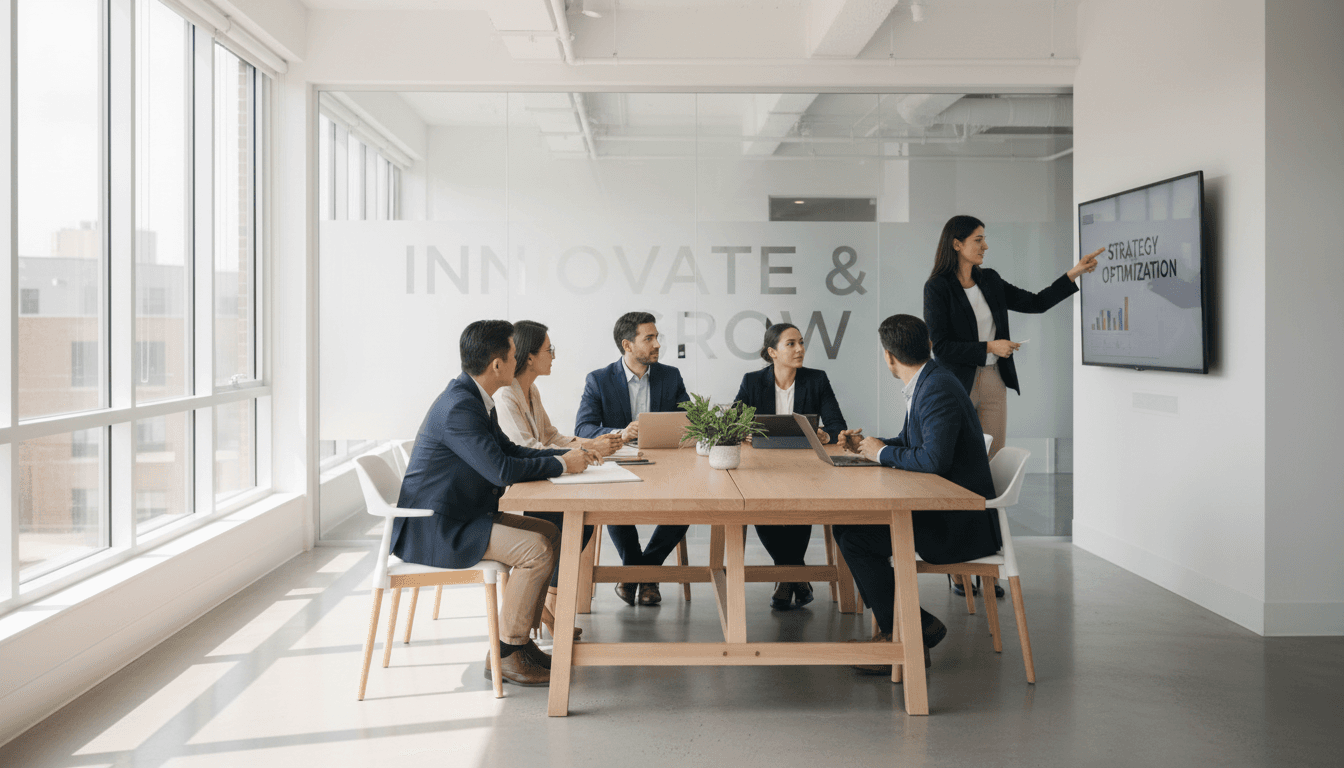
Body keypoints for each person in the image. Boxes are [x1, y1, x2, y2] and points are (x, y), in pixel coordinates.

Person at [391, 320, 600, 686]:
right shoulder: (460, 407)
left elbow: (510, 449)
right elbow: (501, 470)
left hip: (460, 517)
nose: (518, 360)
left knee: (549, 533)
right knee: (535, 549)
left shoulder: (474, 399)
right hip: (437, 529)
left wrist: (568, 455)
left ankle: (519, 645)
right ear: (497, 365)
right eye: (514, 354)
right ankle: (504, 653)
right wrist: (562, 464)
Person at [832, 314, 1000, 674]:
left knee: (856, 537)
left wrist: (880, 453)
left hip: (957, 526)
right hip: (945, 512)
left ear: (889, 357)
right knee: (847, 529)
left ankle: (904, 636)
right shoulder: (929, 381)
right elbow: (914, 444)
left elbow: (933, 460)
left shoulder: (936, 387)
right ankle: (913, 626)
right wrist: (868, 446)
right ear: (927, 345)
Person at [923, 214, 1103, 459]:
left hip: (994, 380)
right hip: (956, 381)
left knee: (993, 455)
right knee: (955, 454)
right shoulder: (937, 287)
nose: (985, 246)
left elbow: (1036, 302)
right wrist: (990, 347)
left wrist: (1073, 273)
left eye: (984, 239)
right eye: (978, 240)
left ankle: (990, 499)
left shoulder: (990, 280)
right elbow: (941, 347)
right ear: (957, 244)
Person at [496, 320, 622, 637]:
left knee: (583, 521)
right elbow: (524, 448)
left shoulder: (531, 389)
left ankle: (549, 603)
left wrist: (589, 445)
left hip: (538, 476)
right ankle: (548, 607)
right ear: (529, 357)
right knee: (562, 522)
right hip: (517, 485)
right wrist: (571, 458)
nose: (553, 356)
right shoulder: (505, 395)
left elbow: (549, 436)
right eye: (549, 350)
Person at [574, 311, 691, 607]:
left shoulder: (670, 375)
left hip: (666, 464)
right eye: (648, 338)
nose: (657, 344)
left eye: (656, 337)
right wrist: (620, 433)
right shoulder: (599, 380)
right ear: (627, 345)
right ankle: (646, 576)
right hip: (619, 462)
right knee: (614, 504)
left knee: (689, 504)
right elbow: (583, 428)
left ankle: (638, 572)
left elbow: (691, 421)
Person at [733, 321, 848, 610]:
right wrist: (743, 432)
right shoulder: (752, 381)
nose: (800, 349)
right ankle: (793, 574)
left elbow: (838, 426)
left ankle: (786, 577)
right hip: (762, 464)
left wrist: (824, 434)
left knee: (802, 503)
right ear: (772, 352)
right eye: (791, 344)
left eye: (801, 343)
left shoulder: (816, 379)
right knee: (756, 502)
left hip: (805, 465)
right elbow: (730, 425)